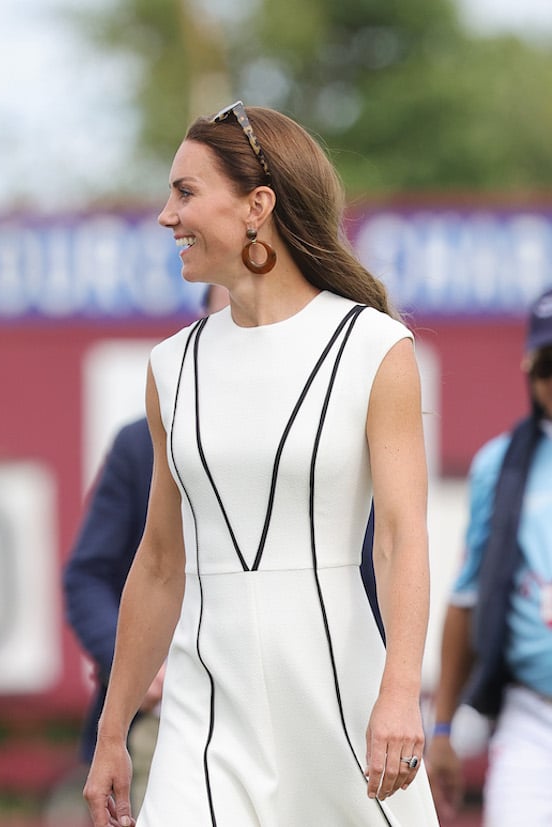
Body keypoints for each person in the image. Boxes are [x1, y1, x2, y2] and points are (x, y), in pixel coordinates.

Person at [82, 102, 439, 826]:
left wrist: (400, 691)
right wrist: (111, 731)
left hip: (341, 700)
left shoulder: (373, 348)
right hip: (203, 712)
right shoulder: (170, 367)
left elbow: (400, 536)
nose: (164, 215)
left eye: (185, 192)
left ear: (257, 206)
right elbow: (157, 562)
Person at [63, 285, 229, 819]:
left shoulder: (315, 440)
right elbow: (88, 576)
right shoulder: (143, 445)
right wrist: (135, 667)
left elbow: (365, 572)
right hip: (167, 716)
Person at [427, 287, 552, 825]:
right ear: (529, 367)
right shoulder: (499, 466)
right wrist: (444, 728)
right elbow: (467, 598)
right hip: (532, 716)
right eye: (551, 364)